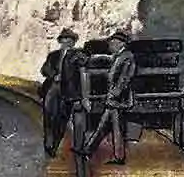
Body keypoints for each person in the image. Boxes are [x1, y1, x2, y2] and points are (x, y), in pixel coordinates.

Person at [81, 30, 136, 165]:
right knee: (103, 126)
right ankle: (88, 150)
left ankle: (118, 157)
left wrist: (114, 93)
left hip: (119, 100)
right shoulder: (118, 56)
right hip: (113, 100)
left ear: (120, 43)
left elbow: (124, 78)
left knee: (116, 129)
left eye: (112, 43)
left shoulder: (127, 57)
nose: (110, 46)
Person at [39, 27, 91, 157]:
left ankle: (56, 144)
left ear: (73, 42)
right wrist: (53, 75)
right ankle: (49, 143)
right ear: (60, 41)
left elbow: (84, 62)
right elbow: (44, 69)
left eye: (69, 39)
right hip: (53, 88)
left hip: (68, 91)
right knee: (48, 116)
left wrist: (80, 57)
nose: (66, 41)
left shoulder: (76, 55)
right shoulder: (53, 55)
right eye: (64, 39)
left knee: (62, 119)